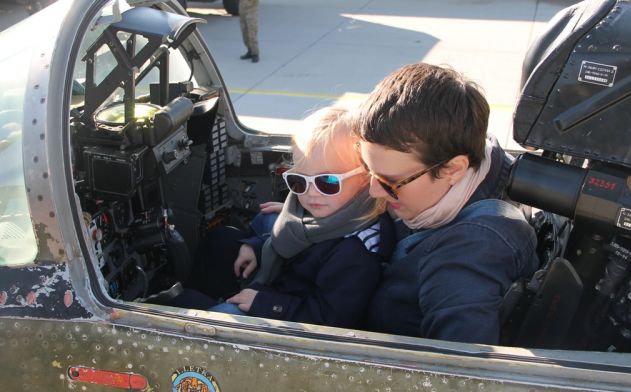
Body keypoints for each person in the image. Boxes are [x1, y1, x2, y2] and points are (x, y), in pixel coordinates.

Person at [355, 63, 539, 344]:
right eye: (365, 166)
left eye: (390, 182)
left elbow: (458, 364)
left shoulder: (469, 255)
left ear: (453, 169)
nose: (373, 190)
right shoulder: (477, 159)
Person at [205, 106, 387, 328]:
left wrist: (266, 304)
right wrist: (257, 246)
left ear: (364, 177)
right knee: (222, 239)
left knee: (224, 316)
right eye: (299, 180)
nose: (311, 193)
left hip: (296, 318)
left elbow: (330, 319)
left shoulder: (356, 254)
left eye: (327, 181)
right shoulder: (325, 207)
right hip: (282, 284)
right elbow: (292, 239)